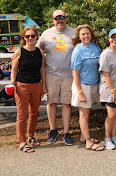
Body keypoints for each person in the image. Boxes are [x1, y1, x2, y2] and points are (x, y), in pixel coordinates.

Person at [36, 10, 75, 145]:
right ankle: (53, 130)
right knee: (51, 102)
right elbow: (37, 49)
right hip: (51, 74)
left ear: (66, 18)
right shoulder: (47, 34)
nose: (60, 20)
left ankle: (66, 132)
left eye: (62, 17)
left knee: (66, 103)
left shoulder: (74, 33)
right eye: (56, 18)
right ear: (53, 20)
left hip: (69, 75)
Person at [11, 25, 46, 153]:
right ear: (24, 38)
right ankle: (22, 141)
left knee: (34, 113)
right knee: (21, 114)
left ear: (36, 37)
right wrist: (13, 83)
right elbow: (14, 70)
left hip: (37, 85)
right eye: (27, 36)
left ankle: (31, 136)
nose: (30, 38)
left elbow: (42, 70)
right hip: (22, 86)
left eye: (33, 36)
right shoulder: (19, 52)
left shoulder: (40, 52)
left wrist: (44, 86)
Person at [71, 24, 104, 151]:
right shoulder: (77, 50)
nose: (86, 36)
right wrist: (80, 92)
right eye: (83, 34)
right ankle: (88, 142)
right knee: (83, 114)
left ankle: (83, 137)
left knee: (87, 112)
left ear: (91, 34)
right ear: (79, 37)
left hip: (93, 84)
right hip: (82, 86)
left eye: (87, 33)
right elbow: (75, 73)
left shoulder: (96, 48)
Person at [99, 28, 116, 150]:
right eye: (112, 37)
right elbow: (105, 74)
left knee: (115, 114)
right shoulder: (106, 54)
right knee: (111, 114)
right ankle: (107, 138)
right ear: (109, 39)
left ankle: (114, 137)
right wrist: (113, 90)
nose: (115, 39)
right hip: (109, 89)